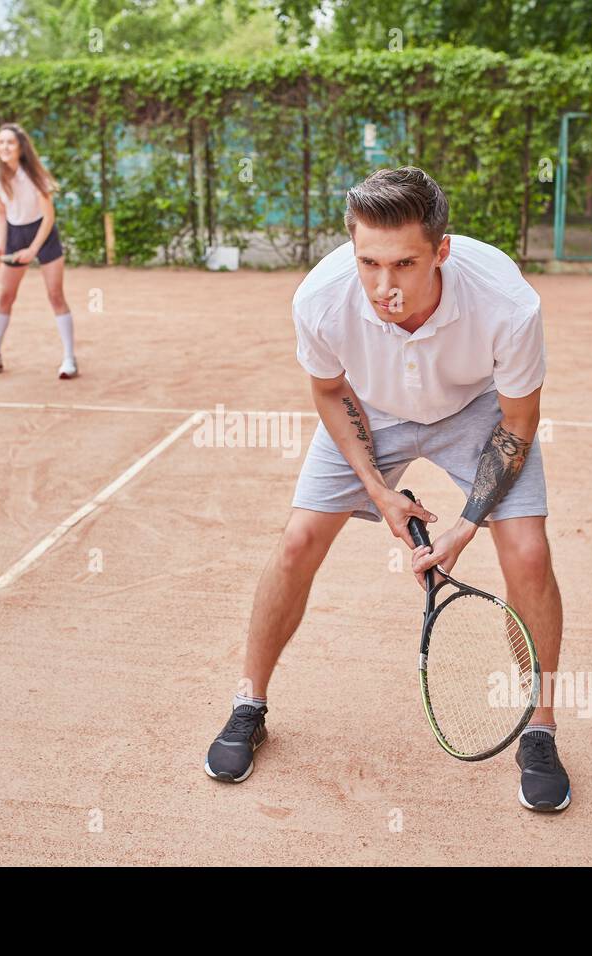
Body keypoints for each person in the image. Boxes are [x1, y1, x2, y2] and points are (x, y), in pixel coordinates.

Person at [202, 166, 571, 813]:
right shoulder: (320, 299)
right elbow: (327, 390)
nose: (385, 286)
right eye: (368, 262)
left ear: (442, 251)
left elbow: (518, 422)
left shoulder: (509, 305)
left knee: (530, 553)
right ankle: (248, 703)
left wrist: (463, 527)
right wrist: (377, 491)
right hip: (370, 410)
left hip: (476, 413)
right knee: (296, 542)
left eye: (404, 264)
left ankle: (538, 727)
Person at [0, 123, 77, 379]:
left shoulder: (36, 177)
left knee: (55, 295)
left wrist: (33, 249)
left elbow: (48, 216)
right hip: (14, 233)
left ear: (21, 147)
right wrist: (0, 244)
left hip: (43, 233)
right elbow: (0, 212)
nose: (4, 147)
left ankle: (69, 358)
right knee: (5, 297)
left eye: (10, 142)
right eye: (0, 143)